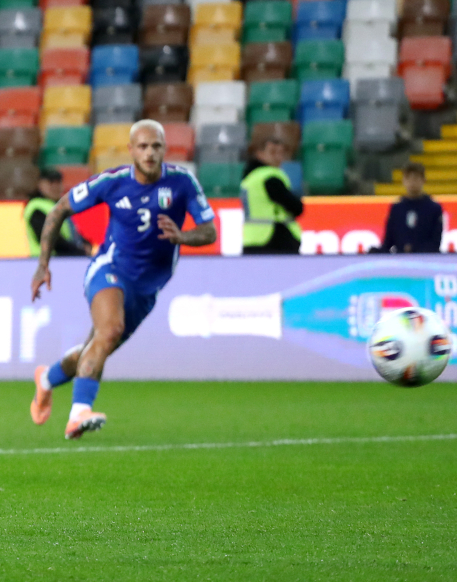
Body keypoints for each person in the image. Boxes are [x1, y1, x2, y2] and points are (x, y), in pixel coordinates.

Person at [29, 120, 217, 439]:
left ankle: (46, 379)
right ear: (130, 150)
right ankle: (78, 413)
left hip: (148, 288)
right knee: (110, 329)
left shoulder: (183, 182)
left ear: (164, 149)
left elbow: (209, 230)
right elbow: (58, 210)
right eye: (142, 146)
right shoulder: (113, 182)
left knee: (98, 346)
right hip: (110, 268)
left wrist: (182, 235)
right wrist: (42, 264)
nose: (149, 152)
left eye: (156, 146)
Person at [241, 136, 303, 255]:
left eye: (280, 153)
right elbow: (295, 207)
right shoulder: (270, 176)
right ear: (260, 154)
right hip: (273, 238)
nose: (278, 157)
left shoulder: (250, 177)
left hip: (251, 238)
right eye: (272, 152)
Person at [372, 162, 443, 254]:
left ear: (423, 180)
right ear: (403, 181)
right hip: (401, 259)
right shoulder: (396, 209)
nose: (412, 182)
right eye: (408, 178)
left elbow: (435, 242)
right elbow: (388, 240)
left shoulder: (434, 208)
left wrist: (415, 249)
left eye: (415, 178)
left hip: (426, 258)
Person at [24, 168, 89, 258]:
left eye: (58, 182)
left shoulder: (61, 206)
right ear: (40, 184)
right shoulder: (36, 207)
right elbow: (50, 240)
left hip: (63, 260)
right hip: (46, 261)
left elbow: (72, 234)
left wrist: (84, 244)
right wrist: (79, 252)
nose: (55, 186)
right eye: (50, 182)